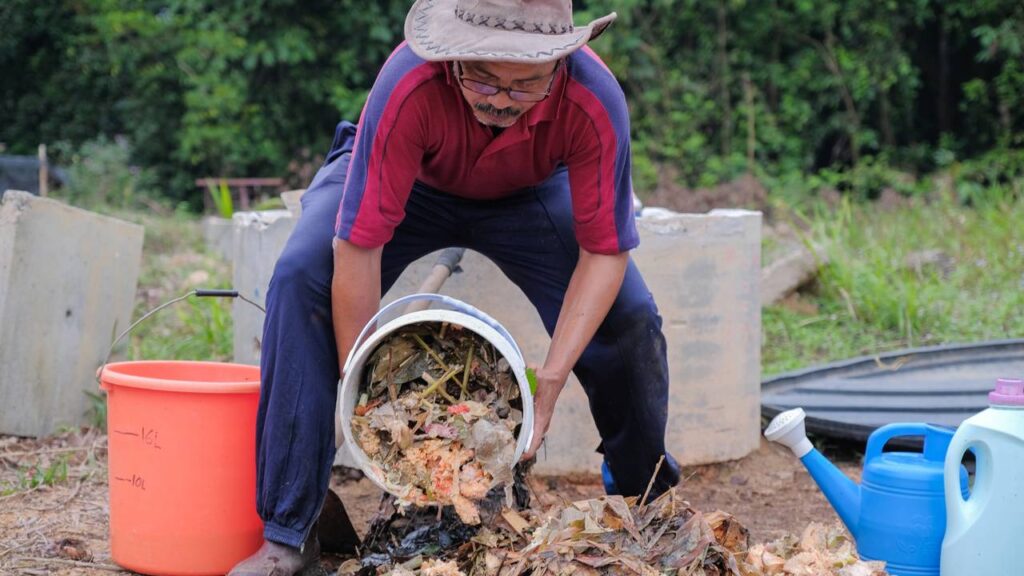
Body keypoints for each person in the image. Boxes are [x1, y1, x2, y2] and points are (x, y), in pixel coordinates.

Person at [229, 1, 681, 574]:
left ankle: (645, 499)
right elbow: (359, 245)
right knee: (302, 277)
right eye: (483, 78)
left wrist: (547, 385)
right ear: (453, 57)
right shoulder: (409, 83)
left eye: (526, 86)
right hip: (412, 181)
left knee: (630, 315)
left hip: (531, 190)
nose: (499, 100)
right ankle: (289, 532)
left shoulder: (594, 98)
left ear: (559, 66)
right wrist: (361, 394)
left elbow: (604, 249)